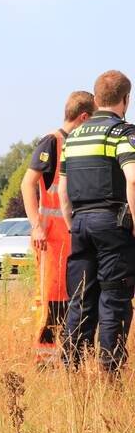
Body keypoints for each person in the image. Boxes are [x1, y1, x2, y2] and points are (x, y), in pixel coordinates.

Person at [58, 71, 135, 372]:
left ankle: (71, 367)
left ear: (97, 97)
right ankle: (109, 371)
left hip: (79, 224)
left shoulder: (74, 135)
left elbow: (63, 190)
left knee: (80, 298)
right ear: (125, 99)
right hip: (112, 225)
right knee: (114, 296)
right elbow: (132, 180)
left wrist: (71, 224)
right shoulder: (123, 133)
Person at [21, 91, 94, 366]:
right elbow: (28, 183)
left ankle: (65, 360)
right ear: (84, 117)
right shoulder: (53, 141)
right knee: (52, 303)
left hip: (71, 238)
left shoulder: (74, 143)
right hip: (51, 239)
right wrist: (36, 226)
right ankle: (46, 364)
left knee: (71, 300)